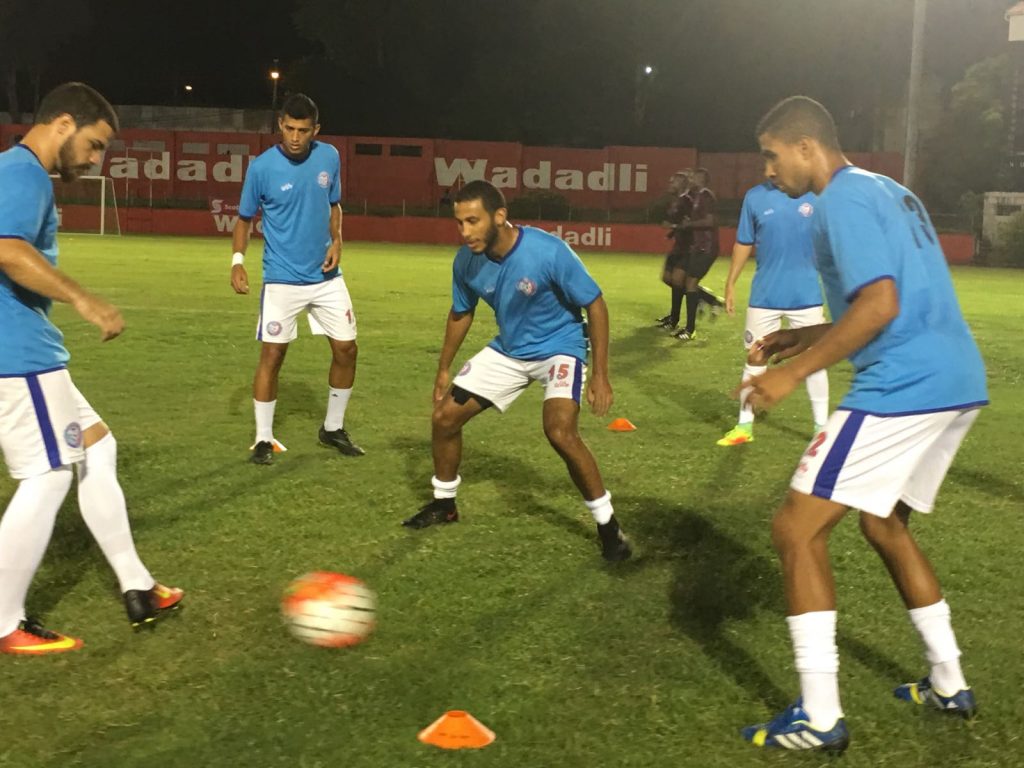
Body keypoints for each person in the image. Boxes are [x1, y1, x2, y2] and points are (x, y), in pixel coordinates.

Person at [739, 96, 987, 753]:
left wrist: (792, 376)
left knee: (795, 529)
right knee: (883, 523)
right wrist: (807, 337)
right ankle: (948, 680)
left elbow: (880, 305)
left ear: (806, 147)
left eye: (771, 155)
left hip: (904, 384)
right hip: (957, 380)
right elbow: (885, 301)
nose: (768, 171)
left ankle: (820, 718)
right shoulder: (888, 190)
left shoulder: (840, 201)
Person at [0, 82, 183, 655]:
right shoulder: (24, 173)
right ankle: (3, 620)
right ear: (62, 124)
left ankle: (137, 585)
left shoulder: (16, 171)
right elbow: (6, 248)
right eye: (95, 144)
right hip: (17, 355)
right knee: (50, 474)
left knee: (98, 447)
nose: (96, 158)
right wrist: (83, 298)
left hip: (30, 354)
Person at [401, 180, 631, 562]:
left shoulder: (547, 251)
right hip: (509, 351)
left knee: (559, 431)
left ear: (499, 217)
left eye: (473, 221)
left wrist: (601, 374)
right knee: (444, 418)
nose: (465, 232)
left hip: (560, 349)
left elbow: (595, 304)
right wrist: (443, 368)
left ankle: (608, 526)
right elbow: (461, 312)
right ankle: (444, 504)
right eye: (459, 222)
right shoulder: (466, 261)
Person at [231, 93, 364, 465]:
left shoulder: (329, 157)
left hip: (326, 277)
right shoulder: (261, 168)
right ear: (280, 125)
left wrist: (337, 240)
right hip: (281, 279)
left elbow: (334, 205)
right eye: (289, 128)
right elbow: (243, 219)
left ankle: (333, 428)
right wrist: (237, 261)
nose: (294, 137)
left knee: (347, 349)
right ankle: (263, 439)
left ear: (315, 130)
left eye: (303, 130)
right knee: (273, 355)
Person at [717, 181, 829, 446]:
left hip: (806, 295)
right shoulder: (755, 197)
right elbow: (743, 242)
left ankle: (821, 429)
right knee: (755, 356)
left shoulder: (817, 196)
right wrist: (730, 283)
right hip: (764, 296)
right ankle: (744, 425)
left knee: (815, 359)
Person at [655, 170, 723, 332]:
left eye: (674, 181)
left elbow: (696, 222)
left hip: (690, 247)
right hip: (682, 246)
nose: (670, 183)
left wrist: (677, 226)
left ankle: (682, 319)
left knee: (681, 281)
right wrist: (674, 231)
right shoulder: (686, 198)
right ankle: (698, 302)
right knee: (670, 279)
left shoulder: (692, 199)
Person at [671, 167, 721, 342]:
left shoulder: (707, 196)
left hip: (707, 247)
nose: (691, 180)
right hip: (698, 247)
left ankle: (690, 329)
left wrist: (690, 224)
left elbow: (710, 221)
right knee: (685, 281)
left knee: (690, 283)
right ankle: (707, 303)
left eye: (695, 177)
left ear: (702, 180)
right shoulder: (698, 197)